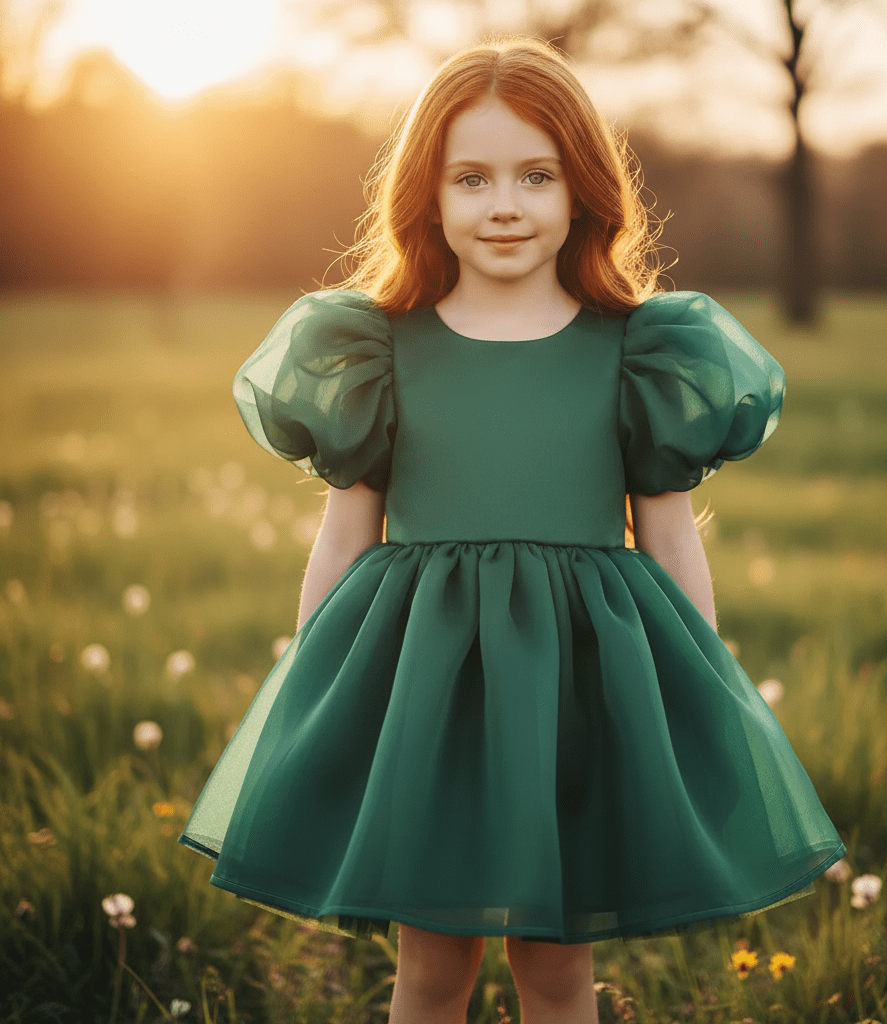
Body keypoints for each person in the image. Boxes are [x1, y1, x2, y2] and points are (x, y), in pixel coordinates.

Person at [179, 36, 846, 1024]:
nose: (504, 204)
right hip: (426, 696)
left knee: (556, 972)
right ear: (429, 195)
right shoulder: (375, 351)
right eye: (472, 177)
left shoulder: (637, 353)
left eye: (536, 175)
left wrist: (696, 691)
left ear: (581, 190)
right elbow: (343, 535)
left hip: (576, 691)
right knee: (431, 971)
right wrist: (315, 687)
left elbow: (667, 538)